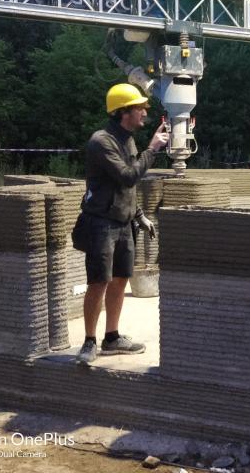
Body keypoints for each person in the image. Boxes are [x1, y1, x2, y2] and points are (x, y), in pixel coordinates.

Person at [74, 83, 168, 365]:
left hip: (124, 222)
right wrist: (152, 149)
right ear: (123, 111)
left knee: (120, 280)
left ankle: (111, 337)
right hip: (101, 223)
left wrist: (139, 216)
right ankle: (89, 341)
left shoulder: (127, 139)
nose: (145, 112)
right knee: (99, 282)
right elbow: (128, 176)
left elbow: (125, 189)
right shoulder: (101, 142)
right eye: (140, 107)